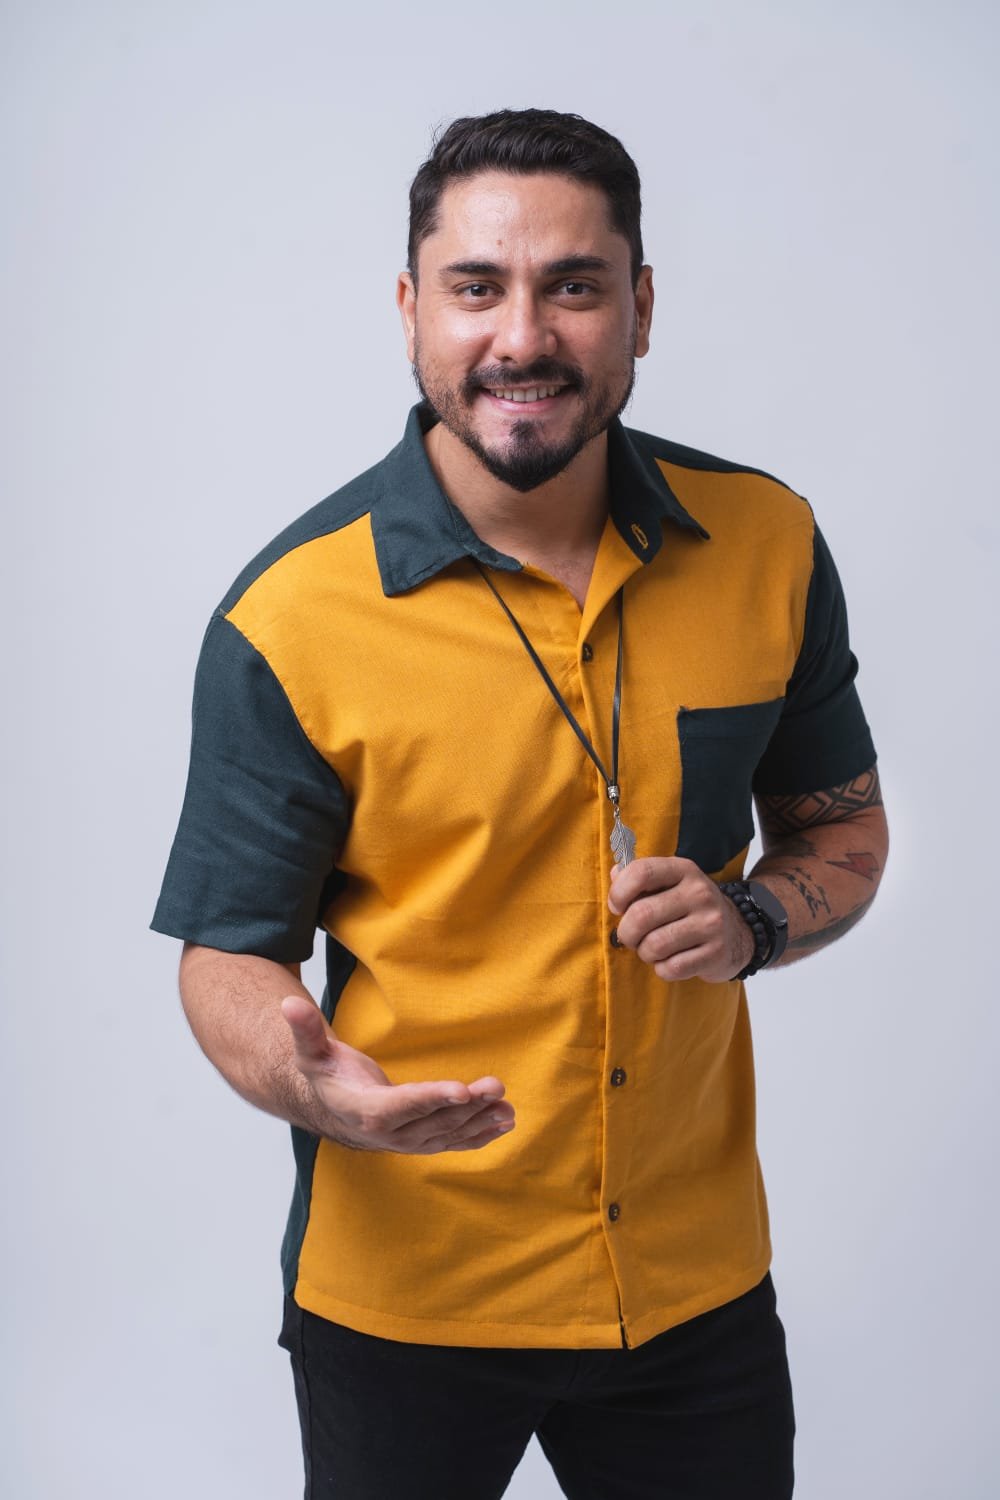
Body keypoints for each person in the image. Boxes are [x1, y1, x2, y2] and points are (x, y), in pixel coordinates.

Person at [152, 108, 887, 1499]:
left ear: (642, 307)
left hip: (693, 1286)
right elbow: (225, 953)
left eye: (575, 286)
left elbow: (840, 830)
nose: (523, 336)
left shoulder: (771, 544)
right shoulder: (289, 617)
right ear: (410, 309)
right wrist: (312, 1086)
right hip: (407, 1296)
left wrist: (749, 922)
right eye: (477, 286)